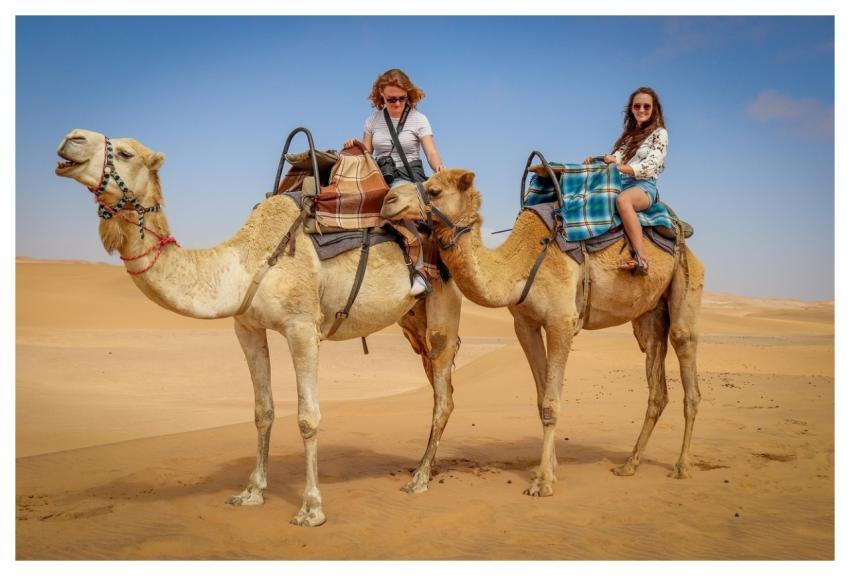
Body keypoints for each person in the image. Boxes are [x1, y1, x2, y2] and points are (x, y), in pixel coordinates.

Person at [344, 68, 445, 296]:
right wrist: (355, 145)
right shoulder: (373, 120)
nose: (397, 104)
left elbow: (430, 151)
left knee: (397, 201)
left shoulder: (419, 120)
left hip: (408, 179)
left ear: (408, 95)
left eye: (402, 98)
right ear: (381, 95)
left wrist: (438, 167)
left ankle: (420, 272)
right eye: (392, 99)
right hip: (381, 176)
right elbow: (367, 153)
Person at [584, 87, 668, 275]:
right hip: (620, 182)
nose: (642, 110)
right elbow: (616, 159)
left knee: (623, 201)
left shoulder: (659, 134)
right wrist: (598, 160)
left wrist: (617, 167)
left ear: (654, 109)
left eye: (647, 106)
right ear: (631, 109)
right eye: (637, 106)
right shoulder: (628, 137)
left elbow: (650, 166)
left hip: (644, 186)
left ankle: (641, 259)